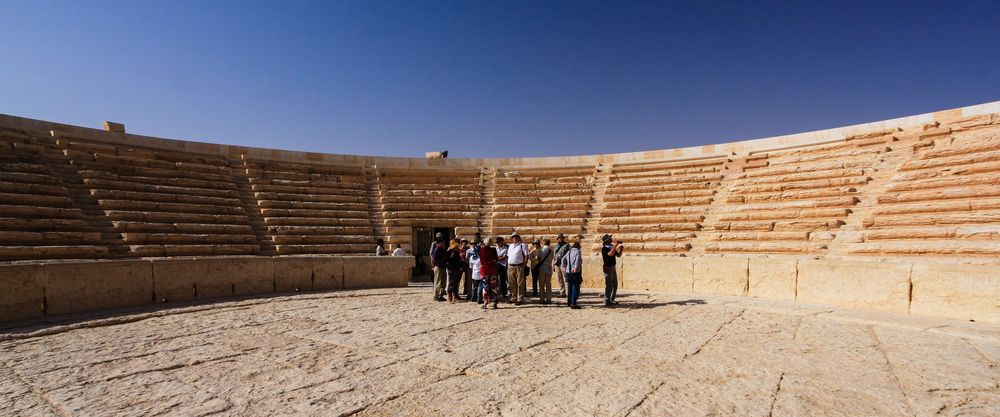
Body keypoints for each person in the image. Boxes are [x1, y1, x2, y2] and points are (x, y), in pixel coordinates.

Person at [506, 233, 530, 305]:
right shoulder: (510, 246)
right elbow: (508, 256)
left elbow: (526, 256)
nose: (515, 238)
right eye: (513, 237)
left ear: (519, 237)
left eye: (516, 237)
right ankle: (513, 298)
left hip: (519, 266)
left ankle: (520, 298)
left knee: (520, 283)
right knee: (511, 283)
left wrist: (524, 265)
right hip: (510, 266)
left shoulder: (523, 245)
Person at [601, 234, 624, 306]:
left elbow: (618, 255)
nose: (611, 239)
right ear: (607, 240)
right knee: (609, 284)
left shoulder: (611, 247)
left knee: (615, 284)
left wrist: (621, 250)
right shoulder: (604, 248)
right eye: (610, 238)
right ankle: (606, 300)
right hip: (607, 267)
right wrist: (616, 245)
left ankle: (611, 299)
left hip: (612, 266)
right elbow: (610, 254)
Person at [561, 240, 583, 309]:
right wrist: (576, 268)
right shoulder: (578, 252)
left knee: (570, 287)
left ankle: (569, 302)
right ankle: (573, 303)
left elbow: (563, 259)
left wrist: (564, 266)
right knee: (576, 288)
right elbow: (577, 260)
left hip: (568, 271)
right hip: (575, 272)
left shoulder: (569, 251)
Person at [479, 237, 499, 309]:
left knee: (485, 288)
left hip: (485, 271)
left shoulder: (481, 250)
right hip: (493, 270)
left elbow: (481, 261)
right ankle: (495, 303)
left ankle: (485, 303)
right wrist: (492, 262)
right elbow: (496, 259)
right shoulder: (493, 250)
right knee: (493, 287)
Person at [536, 239, 554, 303]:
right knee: (548, 284)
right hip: (549, 268)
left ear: (543, 243)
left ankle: (542, 299)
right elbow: (552, 258)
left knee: (541, 284)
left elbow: (538, 258)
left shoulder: (541, 251)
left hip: (542, 268)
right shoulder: (551, 251)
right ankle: (548, 299)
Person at [430, 235, 447, 301]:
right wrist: (433, 267)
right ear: (439, 243)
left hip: (442, 267)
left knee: (443, 282)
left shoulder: (442, 249)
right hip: (438, 267)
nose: (443, 243)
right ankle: (436, 296)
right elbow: (433, 259)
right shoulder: (436, 250)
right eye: (442, 242)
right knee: (437, 282)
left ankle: (441, 295)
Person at [466, 240, 483, 304]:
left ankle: (473, 298)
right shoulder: (481, 258)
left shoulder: (472, 257)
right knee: (480, 287)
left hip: (474, 274)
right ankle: (479, 299)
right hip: (480, 273)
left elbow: (470, 266)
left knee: (475, 287)